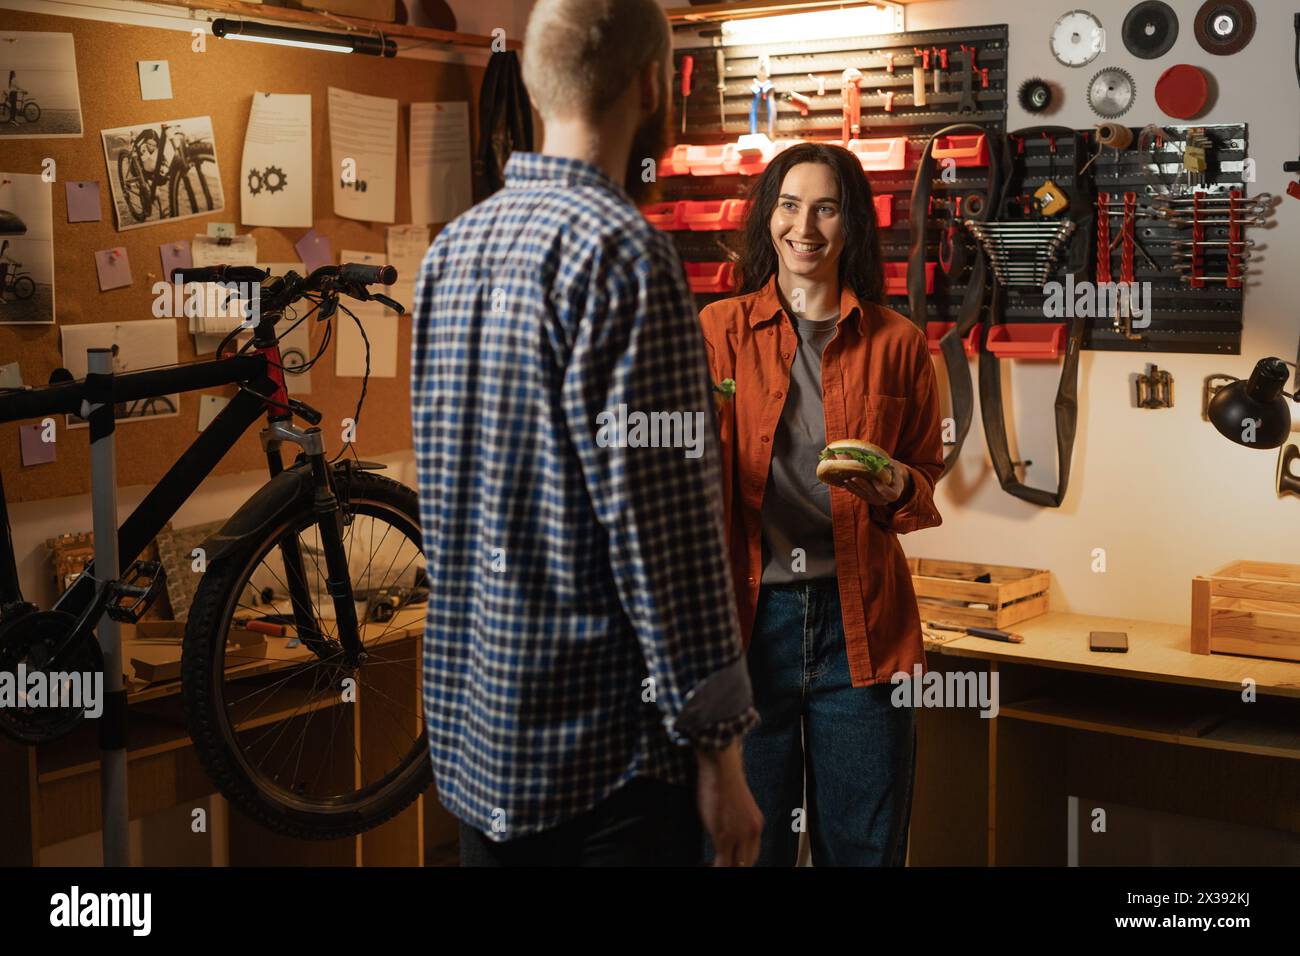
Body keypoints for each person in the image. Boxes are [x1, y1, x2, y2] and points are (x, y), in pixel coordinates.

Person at [410, 0, 763, 867]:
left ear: (534, 83)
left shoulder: (452, 251)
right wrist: (721, 753)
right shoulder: (627, 258)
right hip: (604, 772)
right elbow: (667, 538)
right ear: (653, 85)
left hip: (478, 753)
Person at [698, 142, 945, 866]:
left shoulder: (899, 343)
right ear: (768, 218)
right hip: (748, 627)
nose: (805, 226)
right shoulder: (719, 331)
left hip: (862, 627)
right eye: (790, 205)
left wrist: (897, 485)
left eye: (827, 208)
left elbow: (925, 477)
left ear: (852, 225)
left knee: (864, 850)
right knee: (747, 849)